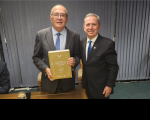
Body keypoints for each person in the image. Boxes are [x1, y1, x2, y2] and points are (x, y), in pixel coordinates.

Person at [32, 5, 80, 94]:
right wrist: (46, 69)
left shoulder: (75, 35)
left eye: (62, 15)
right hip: (49, 82)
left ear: (67, 18)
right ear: (51, 18)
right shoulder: (41, 35)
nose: (59, 18)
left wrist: (74, 61)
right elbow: (36, 58)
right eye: (56, 15)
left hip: (68, 83)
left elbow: (77, 56)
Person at [80, 13, 119, 99]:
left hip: (101, 87)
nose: (90, 28)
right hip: (86, 85)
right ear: (84, 27)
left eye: (94, 24)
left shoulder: (107, 44)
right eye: (88, 25)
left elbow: (113, 67)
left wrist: (109, 85)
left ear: (99, 26)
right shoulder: (81, 43)